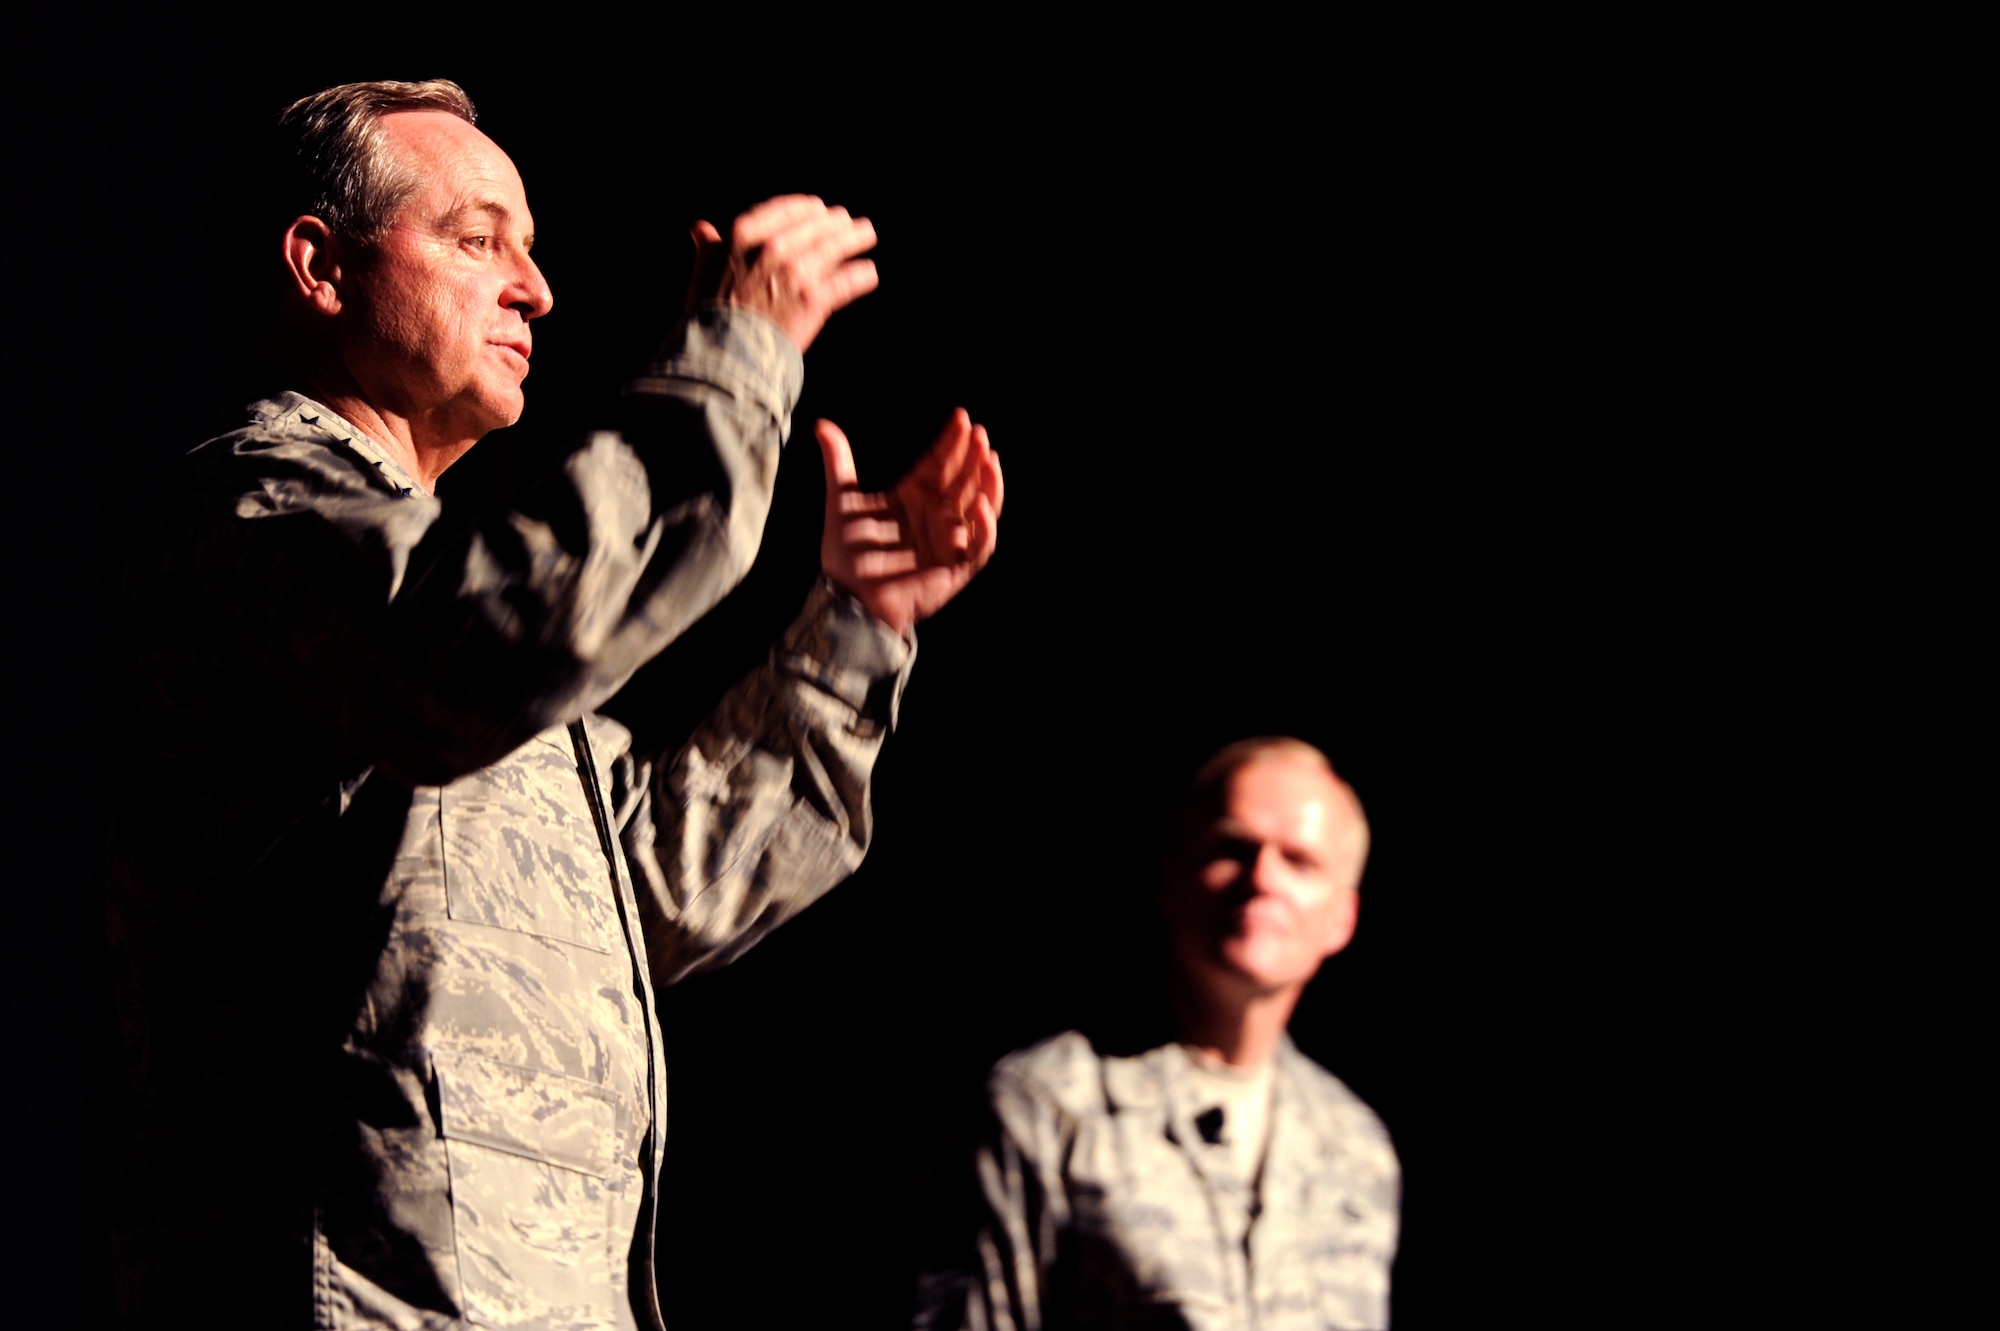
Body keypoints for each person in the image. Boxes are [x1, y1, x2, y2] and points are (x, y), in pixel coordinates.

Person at [104, 79, 1002, 1330]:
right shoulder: (258, 514)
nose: (536, 291)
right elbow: (480, 639)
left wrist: (857, 629)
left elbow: (665, 884)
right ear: (317, 264)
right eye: (478, 241)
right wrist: (734, 363)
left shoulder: (434, 587)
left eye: (529, 250)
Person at [914, 739, 1398, 1330]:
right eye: (1232, 849)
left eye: (1299, 861)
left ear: (1342, 918)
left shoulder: (1356, 1149)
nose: (1262, 878)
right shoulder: (1046, 1109)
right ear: (1171, 878)